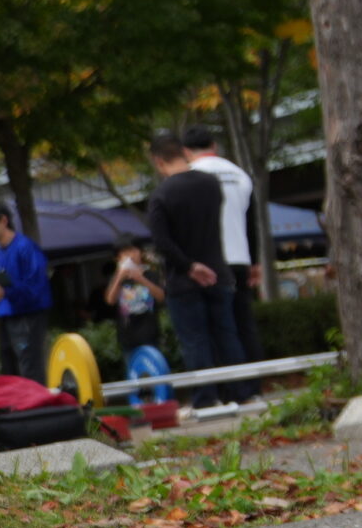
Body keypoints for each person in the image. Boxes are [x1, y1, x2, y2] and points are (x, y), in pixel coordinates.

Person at [145, 131, 246, 406]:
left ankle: (206, 398)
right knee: (226, 333)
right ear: (184, 153)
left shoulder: (161, 195)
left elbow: (161, 242)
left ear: (158, 161)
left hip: (183, 280)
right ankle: (240, 392)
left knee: (195, 340)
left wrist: (189, 266)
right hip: (218, 271)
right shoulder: (211, 184)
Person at [182, 125, 266, 397]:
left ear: (186, 152)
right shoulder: (240, 174)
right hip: (241, 258)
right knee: (244, 323)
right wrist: (254, 261)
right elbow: (251, 223)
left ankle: (229, 389)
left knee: (217, 327)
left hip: (210, 261)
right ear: (214, 146)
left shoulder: (190, 177)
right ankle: (254, 384)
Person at [0, 203, 52, 380]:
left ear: (3, 220)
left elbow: (36, 288)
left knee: (29, 369)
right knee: (10, 369)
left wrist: (6, 293)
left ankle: (37, 407)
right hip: (8, 319)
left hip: (29, 317)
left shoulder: (25, 247)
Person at [103, 239, 166, 362]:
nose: (130, 255)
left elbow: (161, 297)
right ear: (118, 258)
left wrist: (141, 279)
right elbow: (110, 300)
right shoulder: (116, 278)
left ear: (140, 252)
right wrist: (119, 277)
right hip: (127, 337)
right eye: (124, 252)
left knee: (154, 368)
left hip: (149, 333)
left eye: (132, 250)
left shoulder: (151, 274)